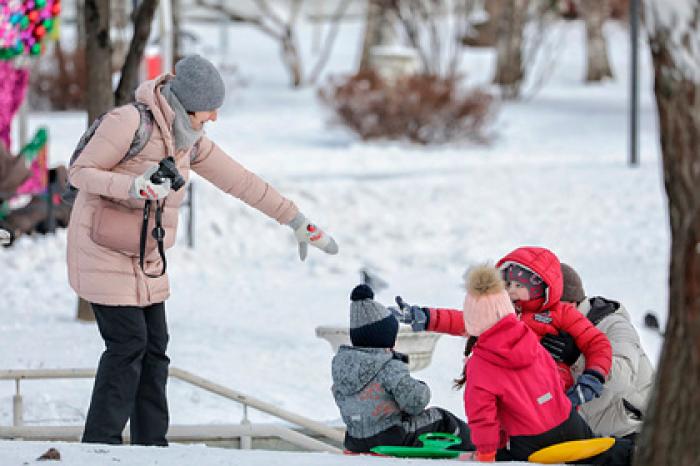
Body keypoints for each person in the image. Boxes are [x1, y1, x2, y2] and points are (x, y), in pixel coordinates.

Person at [67, 54, 338, 446]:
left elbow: (242, 182)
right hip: (102, 249)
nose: (213, 118)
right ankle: (100, 445)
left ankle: (150, 446)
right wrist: (133, 187)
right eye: (210, 110)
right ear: (187, 104)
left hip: (145, 257)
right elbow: (80, 172)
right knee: (128, 345)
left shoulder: (187, 142)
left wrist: (295, 220)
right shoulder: (128, 123)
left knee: (155, 349)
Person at [394, 246, 612, 409]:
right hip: (510, 387)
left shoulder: (561, 313)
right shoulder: (501, 310)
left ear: (543, 288)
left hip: (550, 386)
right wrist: (426, 317)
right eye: (507, 284)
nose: (512, 290)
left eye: (520, 286)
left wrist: (593, 376)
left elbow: (596, 342)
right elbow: (466, 321)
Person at [453, 264, 604, 462]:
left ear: (472, 319)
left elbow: (482, 415)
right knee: (596, 455)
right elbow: (553, 374)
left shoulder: (479, 363)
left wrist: (487, 452)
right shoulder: (528, 336)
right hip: (568, 421)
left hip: (528, 439)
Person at [332, 284, 474, 454]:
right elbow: (416, 402)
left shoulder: (340, 368)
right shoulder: (388, 366)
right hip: (393, 435)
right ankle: (476, 446)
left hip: (354, 439)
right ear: (384, 338)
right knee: (441, 418)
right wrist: (421, 387)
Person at [539, 263, 654, 440]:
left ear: (570, 304)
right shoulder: (550, 333)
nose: (542, 317)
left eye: (547, 311)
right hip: (582, 439)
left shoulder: (613, 325)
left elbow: (623, 376)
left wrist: (576, 357)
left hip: (632, 433)